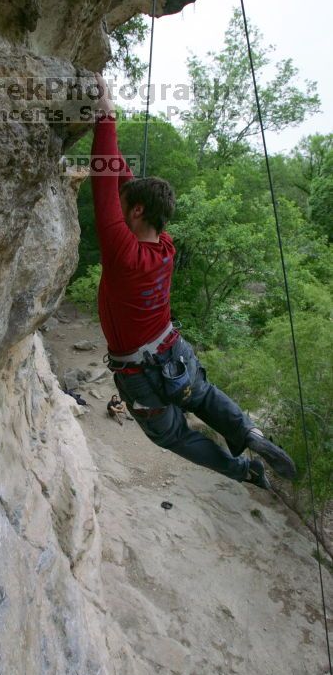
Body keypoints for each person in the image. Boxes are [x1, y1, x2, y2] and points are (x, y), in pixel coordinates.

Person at [89, 73, 297, 491]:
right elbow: (121, 183)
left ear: (135, 213)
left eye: (124, 205)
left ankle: (243, 469)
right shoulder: (165, 246)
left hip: (138, 371)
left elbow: (103, 180)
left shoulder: (123, 255)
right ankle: (249, 432)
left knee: (174, 435)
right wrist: (106, 121)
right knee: (200, 395)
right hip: (171, 350)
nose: (119, 201)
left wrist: (106, 115)